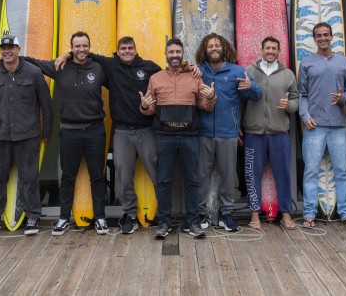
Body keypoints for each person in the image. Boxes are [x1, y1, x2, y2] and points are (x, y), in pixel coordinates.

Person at [53, 36, 161, 234]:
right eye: (123, 49)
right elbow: (85, 54)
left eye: (130, 48)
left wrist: (188, 68)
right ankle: (129, 214)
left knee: (156, 171)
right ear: (117, 52)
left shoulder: (149, 67)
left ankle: (165, 213)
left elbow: (168, 78)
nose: (127, 51)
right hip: (121, 130)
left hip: (146, 129)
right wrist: (66, 54)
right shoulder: (110, 66)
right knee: (123, 174)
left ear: (136, 50)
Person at [23, 31, 110, 235]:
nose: (81, 49)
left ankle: (100, 218)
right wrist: (11, 57)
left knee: (97, 177)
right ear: (71, 48)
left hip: (95, 130)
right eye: (77, 46)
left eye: (85, 46)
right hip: (69, 131)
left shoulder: (98, 68)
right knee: (68, 177)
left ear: (90, 47)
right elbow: (32, 62)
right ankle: (63, 218)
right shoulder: (59, 67)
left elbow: (120, 80)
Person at [0, 34, 53, 236]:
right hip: (0, 135)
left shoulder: (34, 72)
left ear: (18, 49)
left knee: (29, 178)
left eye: (11, 47)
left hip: (28, 136)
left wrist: (46, 133)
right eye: (3, 48)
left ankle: (33, 216)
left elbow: (46, 105)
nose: (6, 51)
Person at [140, 38, 216, 239]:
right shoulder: (155, 78)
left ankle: (193, 222)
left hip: (190, 136)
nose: (174, 55)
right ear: (166, 54)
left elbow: (204, 106)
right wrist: (145, 106)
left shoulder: (194, 76)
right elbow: (150, 110)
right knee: (164, 181)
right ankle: (164, 222)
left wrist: (210, 98)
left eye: (178, 52)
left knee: (192, 180)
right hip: (164, 136)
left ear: (182, 54)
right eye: (171, 52)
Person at [195, 33, 261, 231]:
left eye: (217, 45)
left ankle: (227, 214)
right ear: (204, 51)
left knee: (228, 175)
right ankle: (201, 214)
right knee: (202, 175)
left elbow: (257, 95)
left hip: (228, 133)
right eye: (210, 46)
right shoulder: (199, 72)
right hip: (204, 132)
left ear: (224, 48)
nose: (214, 48)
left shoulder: (236, 71)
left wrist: (252, 87)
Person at [298, 22, 346, 228]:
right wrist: (305, 116)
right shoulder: (306, 63)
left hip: (339, 125)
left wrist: (344, 98)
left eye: (326, 35)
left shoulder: (344, 63)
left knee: (342, 170)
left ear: (332, 37)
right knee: (311, 171)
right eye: (318, 35)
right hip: (314, 126)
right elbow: (302, 94)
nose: (322, 38)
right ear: (314, 39)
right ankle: (309, 214)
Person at [243, 36, 298, 230]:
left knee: (282, 174)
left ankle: (286, 214)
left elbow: (296, 100)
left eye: (274, 48)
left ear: (279, 51)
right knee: (252, 174)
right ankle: (255, 215)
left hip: (279, 132)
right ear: (261, 49)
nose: (271, 51)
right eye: (268, 48)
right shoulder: (249, 72)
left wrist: (289, 105)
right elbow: (241, 100)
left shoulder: (288, 74)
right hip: (253, 132)